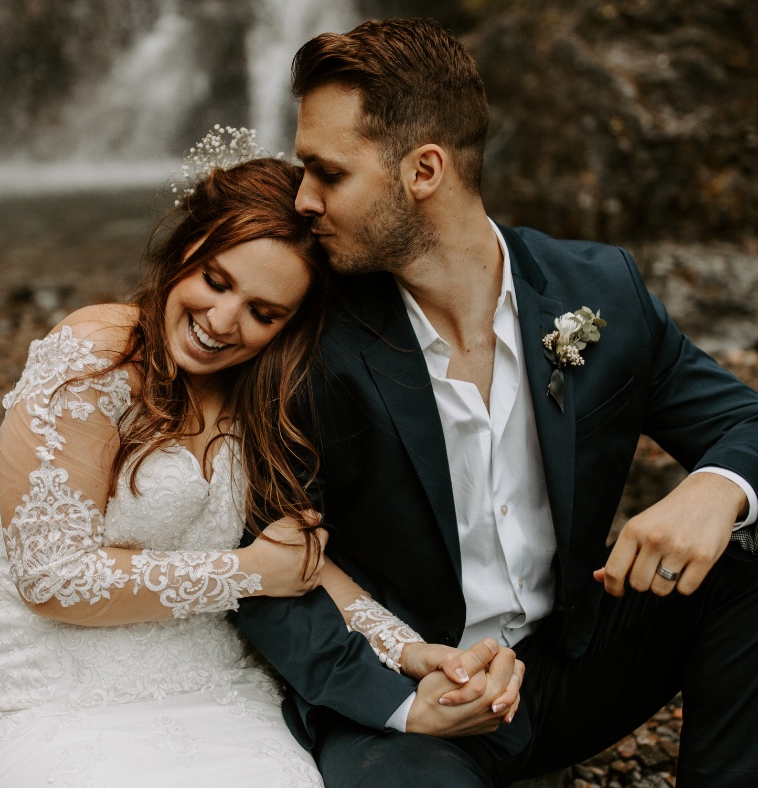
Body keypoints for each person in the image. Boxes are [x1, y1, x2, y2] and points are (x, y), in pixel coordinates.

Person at [233, 18, 758, 788]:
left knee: (750, 550)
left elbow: (743, 421)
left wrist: (718, 488)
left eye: (328, 173)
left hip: (576, 663)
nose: (303, 199)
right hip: (411, 704)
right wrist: (404, 702)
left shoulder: (598, 291)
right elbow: (266, 571)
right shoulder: (309, 334)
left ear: (424, 170)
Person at [0, 152, 500, 787]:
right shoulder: (96, 356)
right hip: (52, 697)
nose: (221, 321)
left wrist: (408, 649)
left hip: (221, 695)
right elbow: (52, 578)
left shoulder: (263, 397)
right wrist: (246, 574)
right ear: (185, 248)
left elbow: (297, 561)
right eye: (216, 280)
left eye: (264, 313)